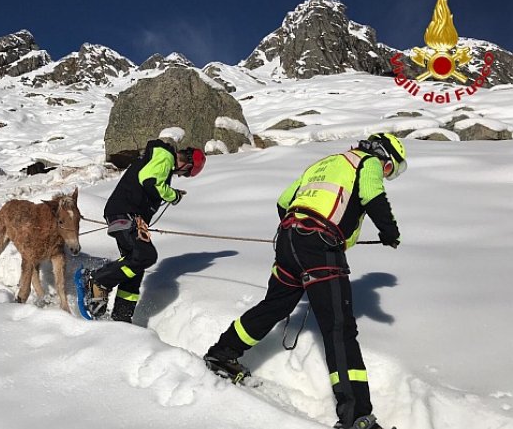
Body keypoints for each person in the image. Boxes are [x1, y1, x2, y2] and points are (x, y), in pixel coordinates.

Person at [203, 133, 407, 429]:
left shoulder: (325, 163)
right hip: (320, 244)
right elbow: (373, 195)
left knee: (275, 305)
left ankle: (222, 354)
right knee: (339, 329)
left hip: (289, 239)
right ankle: (356, 417)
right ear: (383, 155)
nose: (386, 174)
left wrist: (296, 230)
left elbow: (284, 200)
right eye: (391, 169)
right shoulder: (368, 162)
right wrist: (390, 232)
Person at [84, 139, 206, 322]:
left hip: (126, 214)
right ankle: (99, 281)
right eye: (186, 174)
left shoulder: (161, 161)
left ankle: (122, 317)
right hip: (125, 213)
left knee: (135, 267)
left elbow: (150, 182)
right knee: (145, 256)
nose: (181, 176)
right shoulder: (164, 157)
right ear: (187, 164)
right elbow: (150, 181)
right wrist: (173, 195)